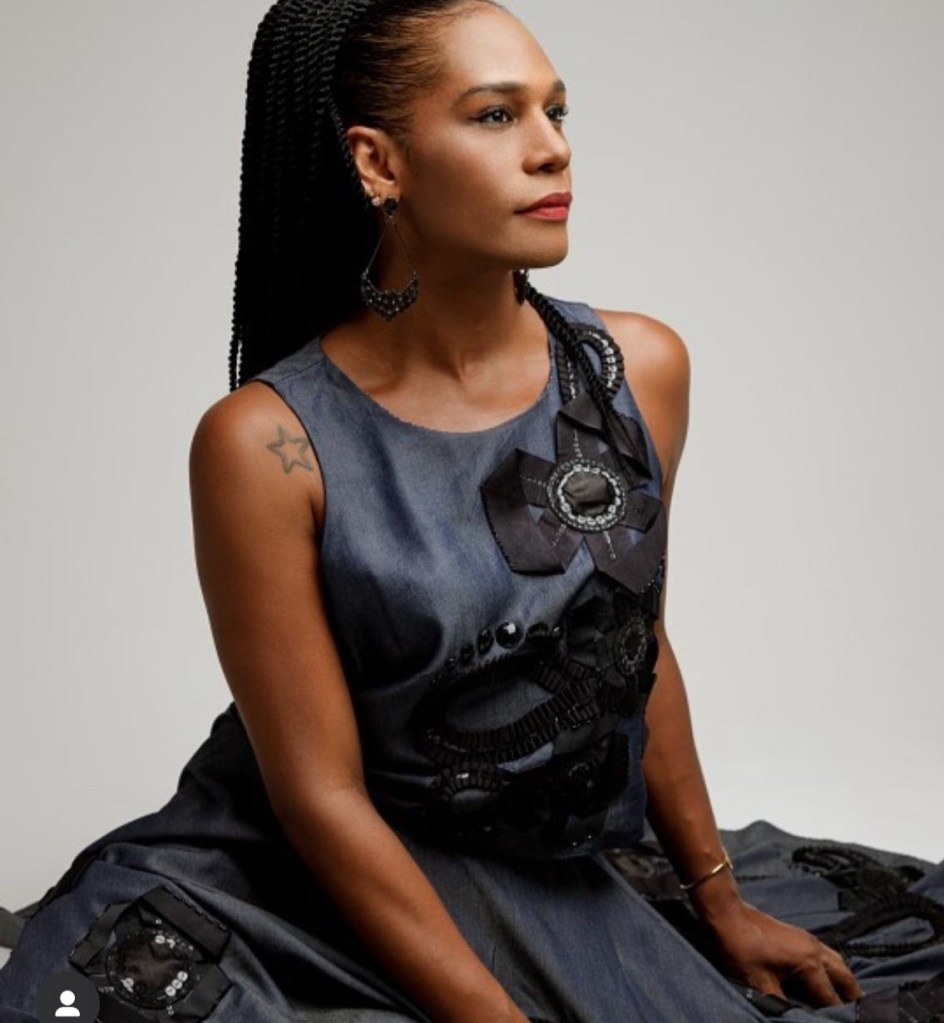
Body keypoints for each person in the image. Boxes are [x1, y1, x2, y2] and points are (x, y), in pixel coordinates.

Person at [2, 1, 944, 1021]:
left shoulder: (637, 372)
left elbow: (634, 650)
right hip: (306, 883)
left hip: (542, 870)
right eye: (496, 115)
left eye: (556, 111)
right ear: (378, 163)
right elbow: (319, 797)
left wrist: (718, 898)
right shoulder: (264, 445)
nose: (551, 149)